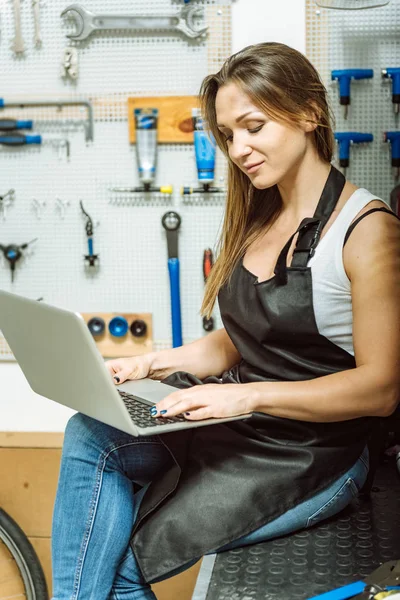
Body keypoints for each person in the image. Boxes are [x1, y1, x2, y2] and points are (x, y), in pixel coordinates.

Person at [51, 42, 400, 600]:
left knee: (124, 568)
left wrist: (245, 398)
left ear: (310, 113)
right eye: (228, 135)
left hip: (314, 455)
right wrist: (155, 361)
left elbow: (381, 389)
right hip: (243, 424)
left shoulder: (366, 230)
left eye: (253, 127)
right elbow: (241, 340)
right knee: (90, 434)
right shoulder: (261, 219)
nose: (239, 149)